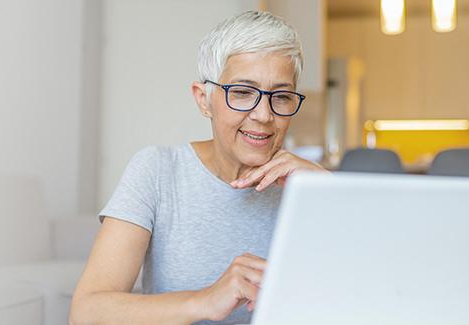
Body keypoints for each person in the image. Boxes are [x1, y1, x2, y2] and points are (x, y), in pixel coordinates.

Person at [69, 11, 327, 325]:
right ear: (203, 99)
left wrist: (335, 195)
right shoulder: (157, 171)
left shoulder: (310, 188)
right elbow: (86, 313)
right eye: (243, 93)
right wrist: (205, 301)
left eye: (282, 96)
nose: (263, 114)